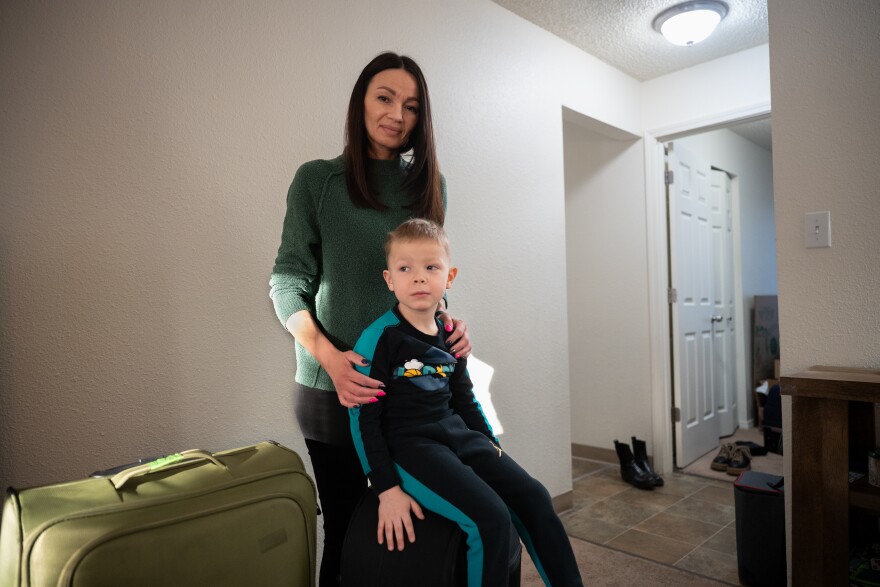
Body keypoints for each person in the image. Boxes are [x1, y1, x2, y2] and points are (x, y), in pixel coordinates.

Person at [269, 53, 471, 587]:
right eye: (384, 97)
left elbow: (422, 279)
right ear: (361, 101)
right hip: (336, 388)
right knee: (348, 531)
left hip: (412, 387)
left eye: (410, 105)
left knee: (410, 528)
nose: (396, 114)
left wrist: (448, 324)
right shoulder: (318, 181)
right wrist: (332, 361)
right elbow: (287, 281)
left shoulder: (432, 186)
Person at [349, 219, 584, 587]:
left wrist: (492, 450)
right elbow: (363, 420)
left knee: (535, 496)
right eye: (405, 268)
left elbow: (464, 398)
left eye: (431, 267)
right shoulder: (379, 338)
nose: (419, 278)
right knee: (489, 518)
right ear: (389, 279)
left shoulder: (449, 333)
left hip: (455, 435)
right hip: (410, 446)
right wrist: (387, 488)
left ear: (450, 276)